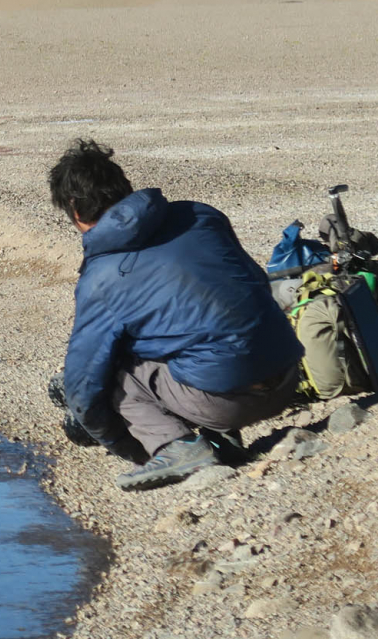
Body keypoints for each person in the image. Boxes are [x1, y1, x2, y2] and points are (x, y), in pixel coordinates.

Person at [51, 139, 304, 490]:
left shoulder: (102, 277)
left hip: (227, 401)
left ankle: (177, 447)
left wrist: (126, 445)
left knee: (114, 372)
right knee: (194, 329)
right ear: (124, 187)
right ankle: (222, 440)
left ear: (75, 211)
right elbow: (255, 284)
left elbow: (83, 380)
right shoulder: (201, 215)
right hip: (289, 374)